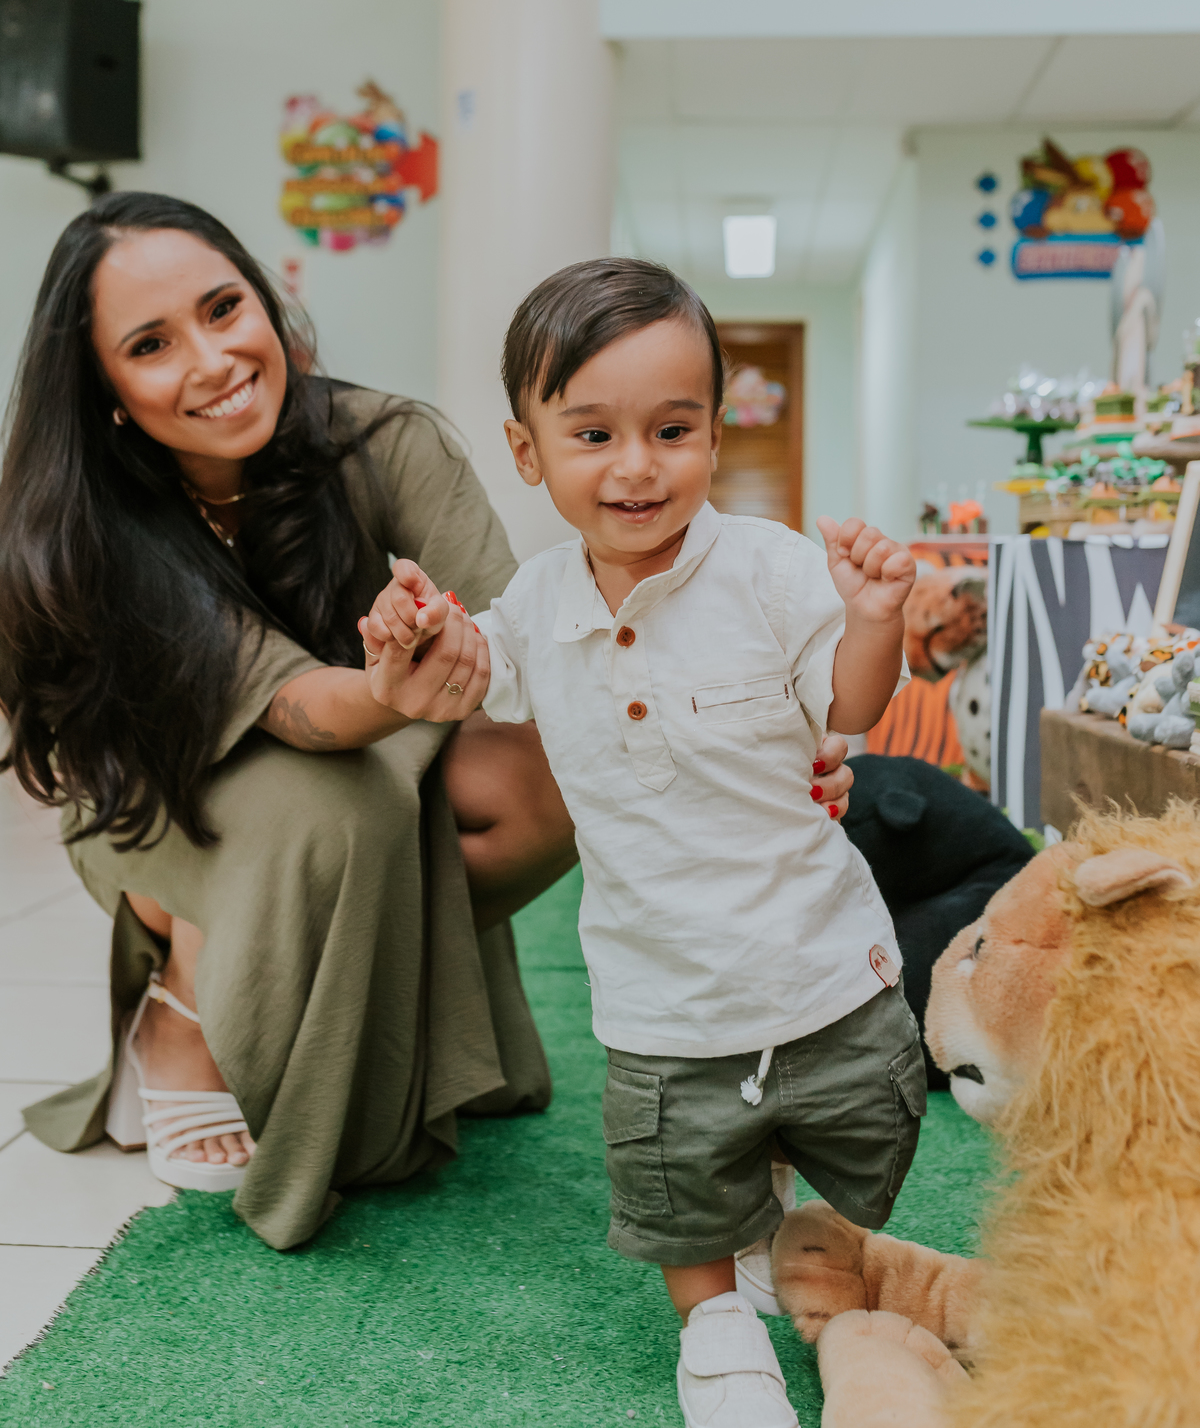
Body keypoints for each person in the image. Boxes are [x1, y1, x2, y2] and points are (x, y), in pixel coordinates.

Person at [0, 197, 857, 1255]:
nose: (214, 358)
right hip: (170, 779)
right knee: (339, 802)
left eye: (225, 308)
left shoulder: (383, 438)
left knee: (557, 774)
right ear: (108, 392)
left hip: (370, 754)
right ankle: (183, 999)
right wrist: (394, 687)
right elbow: (305, 714)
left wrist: (772, 754)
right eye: (152, 344)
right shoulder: (103, 521)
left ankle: (363, 984)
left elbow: (558, 652)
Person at [362, 259, 924, 1428]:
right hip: (658, 983)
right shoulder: (534, 600)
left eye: (673, 429)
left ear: (716, 433)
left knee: (872, 1118)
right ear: (529, 453)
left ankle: (774, 1208)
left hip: (817, 954)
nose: (636, 466)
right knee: (677, 1173)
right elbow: (467, 677)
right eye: (593, 433)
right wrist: (419, 644)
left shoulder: (771, 572)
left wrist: (875, 621)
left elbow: (851, 709)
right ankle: (712, 1326)